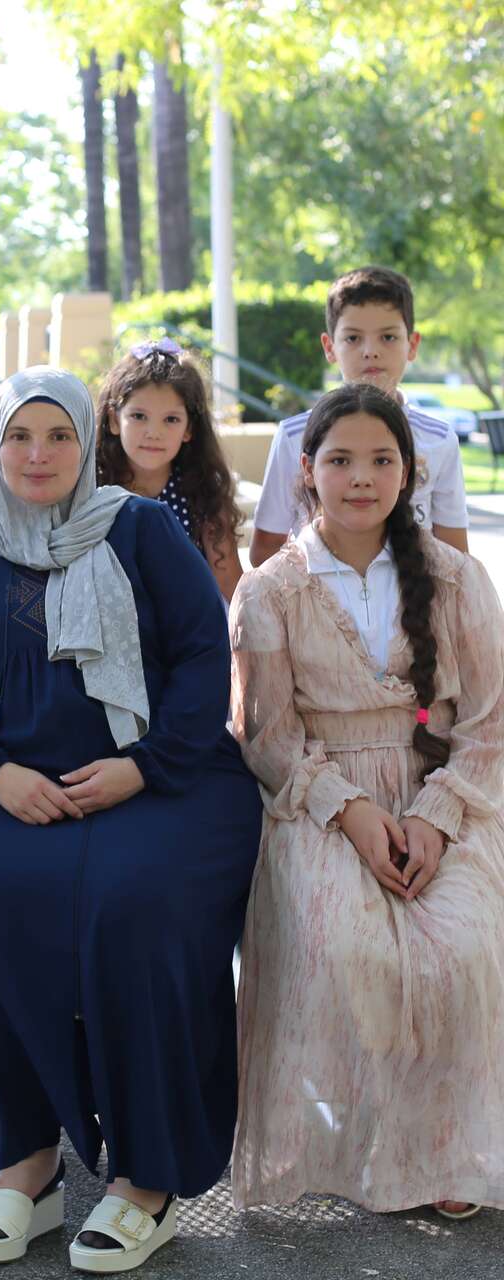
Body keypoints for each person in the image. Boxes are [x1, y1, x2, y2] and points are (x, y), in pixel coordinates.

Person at [0, 367, 262, 1271]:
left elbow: (199, 655)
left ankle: (149, 1176)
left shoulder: (139, 531)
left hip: (159, 777)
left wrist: (144, 768)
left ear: (84, 445)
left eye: (58, 435)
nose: (38, 454)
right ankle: (27, 1163)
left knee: (136, 905)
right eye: (20, 436)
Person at [229, 382, 504, 1218]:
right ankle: (347, 1143)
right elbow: (267, 735)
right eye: (340, 460)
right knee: (352, 950)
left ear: (410, 472)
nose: (361, 477)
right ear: (305, 472)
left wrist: (434, 812)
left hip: (443, 792)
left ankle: (443, 1148)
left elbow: (489, 721)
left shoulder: (456, 578)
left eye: (381, 459)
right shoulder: (270, 591)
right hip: (321, 800)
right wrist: (350, 808)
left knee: (459, 951)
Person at [249, 266, 468, 567]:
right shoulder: (293, 436)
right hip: (319, 606)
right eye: (353, 338)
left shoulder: (439, 440)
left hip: (414, 606)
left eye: (388, 337)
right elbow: (265, 550)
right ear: (330, 347)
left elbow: (456, 557)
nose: (370, 351)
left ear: (412, 345)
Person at [95, 338, 244, 600]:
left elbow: (231, 585)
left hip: (184, 635)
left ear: (189, 429)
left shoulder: (203, 495)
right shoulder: (92, 491)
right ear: (113, 419)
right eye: (139, 416)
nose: (154, 432)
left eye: (171, 419)